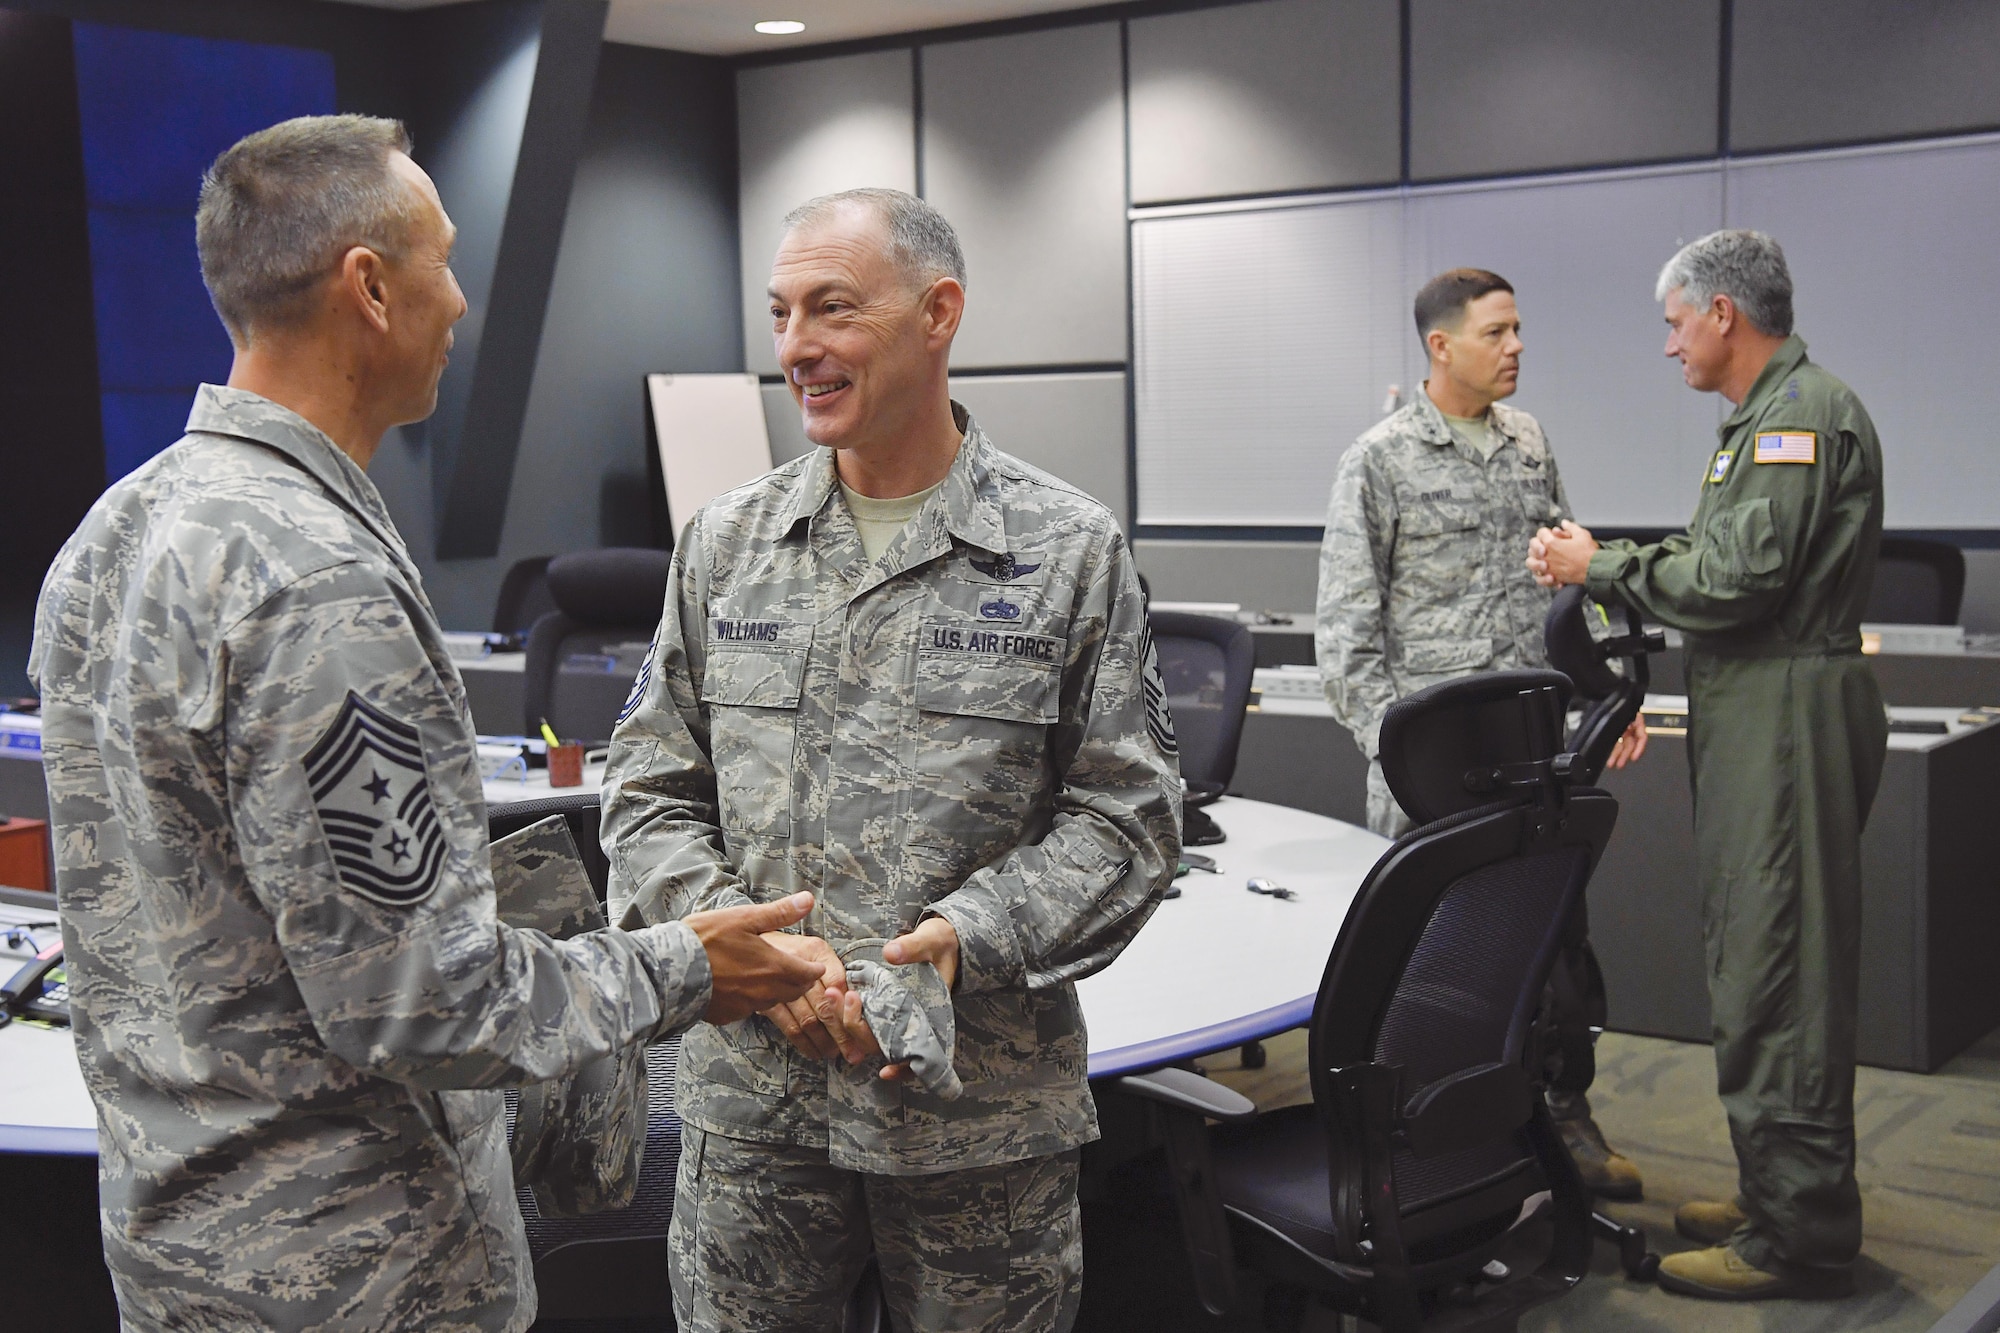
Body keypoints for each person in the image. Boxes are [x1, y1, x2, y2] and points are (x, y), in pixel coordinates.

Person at [29, 115, 823, 1333]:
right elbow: (423, 1000)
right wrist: (687, 966)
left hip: (181, 1254)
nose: (458, 302)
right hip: (359, 1274)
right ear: (369, 287)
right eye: (444, 263)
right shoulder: (317, 582)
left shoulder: (114, 533)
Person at [600, 187, 1181, 1333]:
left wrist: (965, 941)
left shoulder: (1064, 550)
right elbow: (646, 792)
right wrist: (744, 949)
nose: (795, 347)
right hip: (755, 1113)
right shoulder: (725, 545)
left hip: (977, 1118)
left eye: (832, 308)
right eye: (779, 314)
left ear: (937, 313)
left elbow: (1128, 817)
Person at [1527, 229, 1887, 1301]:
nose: (1670, 344)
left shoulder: (1796, 418)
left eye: (1675, 322)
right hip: (1760, 710)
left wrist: (1602, 567)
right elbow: (1723, 562)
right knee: (1755, 951)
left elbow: (1735, 583)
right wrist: (1614, 566)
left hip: (1785, 713)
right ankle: (1777, 1189)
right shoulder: (1763, 416)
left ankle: (1799, 1236)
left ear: (1723, 313)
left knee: (1780, 968)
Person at [1315, 267, 1645, 1200]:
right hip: (1436, 770)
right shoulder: (1378, 459)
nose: (1516, 347)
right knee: (1434, 968)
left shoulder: (1528, 442)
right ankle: (1434, 1153)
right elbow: (1345, 634)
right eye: (1496, 332)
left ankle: (1563, 1116)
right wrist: (1398, 756)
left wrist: (1604, 695)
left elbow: (1569, 581)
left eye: (1517, 329)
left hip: (1535, 751)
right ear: (1441, 345)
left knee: (1554, 947)